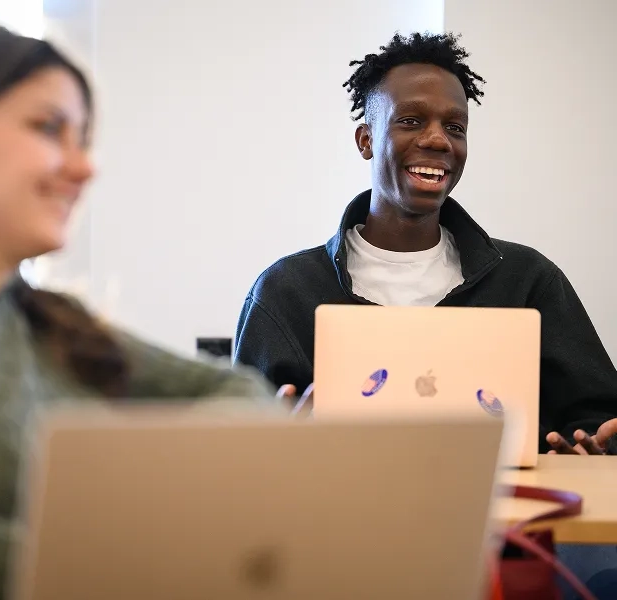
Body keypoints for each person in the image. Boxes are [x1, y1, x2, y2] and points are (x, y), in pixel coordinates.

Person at [0, 22, 286, 600]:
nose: (84, 167)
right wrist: (172, 560)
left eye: (83, 139)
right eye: (49, 129)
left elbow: (240, 394)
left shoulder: (50, 320)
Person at [234, 32, 617, 455]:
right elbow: (237, 449)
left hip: (505, 517)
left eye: (455, 127)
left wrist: (590, 450)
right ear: (365, 140)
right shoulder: (285, 292)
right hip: (340, 517)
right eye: (411, 121)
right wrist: (280, 445)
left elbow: (598, 421)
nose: (438, 140)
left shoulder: (529, 280)